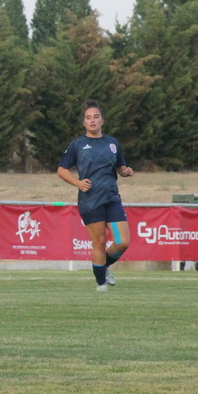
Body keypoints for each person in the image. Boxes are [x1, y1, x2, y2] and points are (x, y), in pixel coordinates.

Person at [57, 100, 134, 292]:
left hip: (111, 197)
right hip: (90, 200)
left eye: (96, 117)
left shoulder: (112, 143)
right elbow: (61, 170)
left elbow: (119, 166)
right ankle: (101, 284)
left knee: (123, 242)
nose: (92, 121)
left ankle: (103, 267)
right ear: (84, 123)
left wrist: (125, 171)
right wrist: (77, 182)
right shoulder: (78, 145)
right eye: (88, 118)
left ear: (102, 120)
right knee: (99, 242)